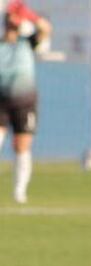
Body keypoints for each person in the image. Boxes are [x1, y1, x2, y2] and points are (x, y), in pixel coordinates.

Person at [0, 0, 50, 204]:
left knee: (21, 146)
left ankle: (19, 192)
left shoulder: (27, 42)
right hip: (1, 100)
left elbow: (46, 29)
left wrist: (29, 15)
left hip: (25, 101)